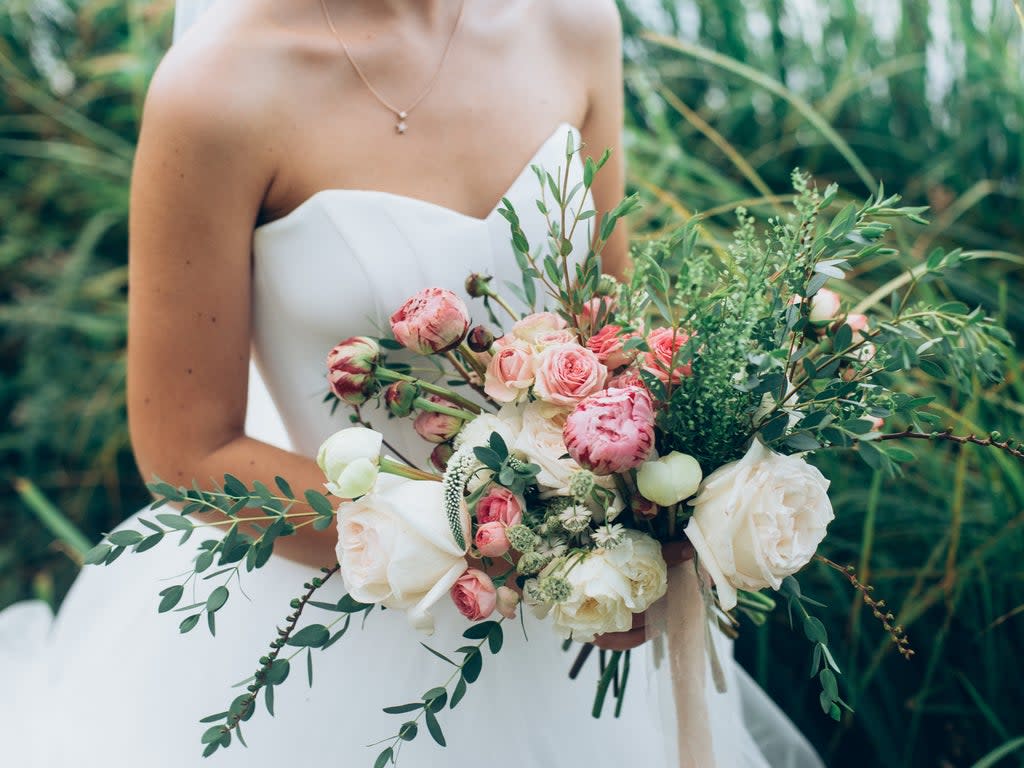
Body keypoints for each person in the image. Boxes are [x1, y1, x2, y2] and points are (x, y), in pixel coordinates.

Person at [0, 1, 825, 765]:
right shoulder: (218, 89)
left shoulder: (575, 21)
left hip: (579, 623)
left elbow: (610, 330)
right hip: (339, 619)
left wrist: (653, 508)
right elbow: (187, 449)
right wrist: (504, 550)